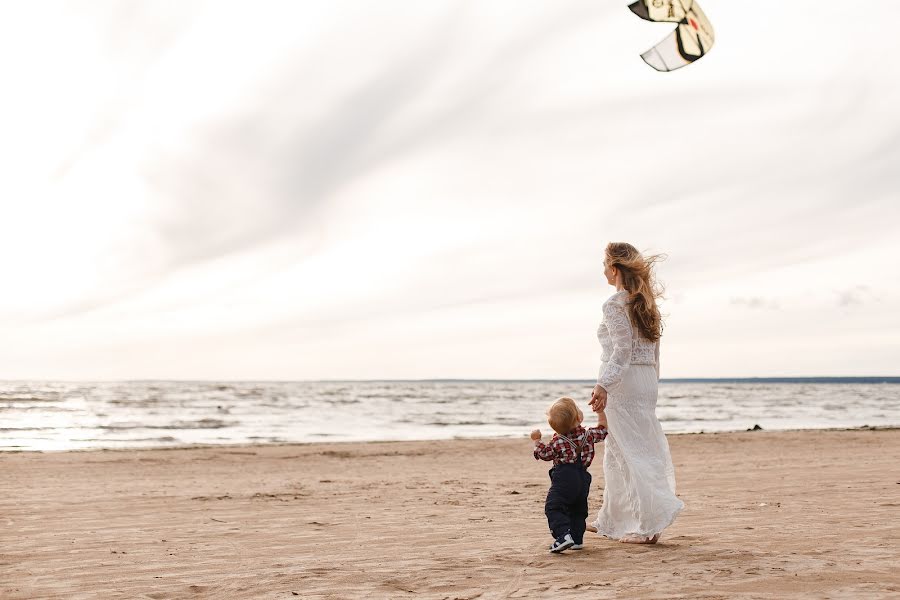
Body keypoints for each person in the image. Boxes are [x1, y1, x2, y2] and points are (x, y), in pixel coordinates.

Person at [588, 242, 684, 544]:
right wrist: (652, 384)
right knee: (629, 450)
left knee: (628, 454)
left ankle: (648, 526)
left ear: (614, 269)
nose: (603, 271)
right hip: (644, 382)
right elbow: (655, 353)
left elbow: (622, 351)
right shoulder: (646, 303)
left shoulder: (615, 304)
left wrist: (604, 384)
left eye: (604, 265)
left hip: (624, 381)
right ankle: (612, 519)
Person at [531, 397, 608, 553]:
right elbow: (603, 429)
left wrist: (537, 441)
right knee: (578, 508)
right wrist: (600, 412)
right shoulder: (589, 434)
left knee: (554, 506)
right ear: (579, 418)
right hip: (583, 477)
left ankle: (563, 535)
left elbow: (545, 454)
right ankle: (576, 538)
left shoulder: (558, 441)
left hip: (564, 477)